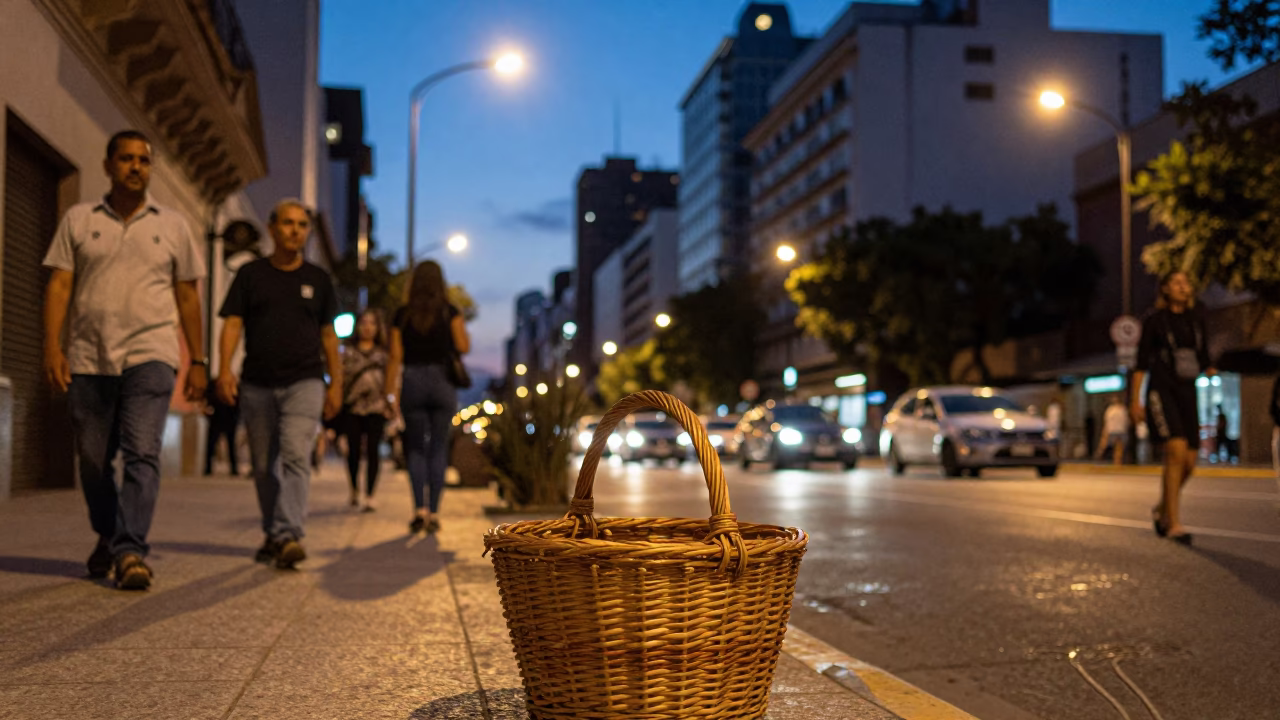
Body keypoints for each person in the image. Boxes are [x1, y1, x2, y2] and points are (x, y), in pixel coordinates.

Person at [42, 129, 207, 590]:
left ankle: (131, 549)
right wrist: (51, 346)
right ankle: (112, 535)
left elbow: (189, 298)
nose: (136, 167)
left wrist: (199, 360)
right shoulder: (79, 218)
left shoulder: (172, 226)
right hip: (89, 354)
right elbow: (59, 286)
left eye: (144, 160)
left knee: (142, 452)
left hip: (151, 353)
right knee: (93, 459)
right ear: (108, 165)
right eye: (127, 159)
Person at [216, 199, 342, 568]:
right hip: (257, 382)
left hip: (305, 380)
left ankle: (288, 533)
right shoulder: (251, 274)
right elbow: (233, 324)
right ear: (272, 228)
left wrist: (336, 384)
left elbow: (330, 337)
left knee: (295, 454)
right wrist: (224, 370)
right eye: (288, 223)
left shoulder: (318, 280)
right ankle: (274, 531)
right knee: (261, 465)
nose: (295, 231)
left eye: (302, 225)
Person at [385, 261, 469, 534]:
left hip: (413, 381)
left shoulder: (402, 315)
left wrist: (389, 394)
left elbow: (395, 357)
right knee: (439, 448)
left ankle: (418, 511)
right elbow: (463, 346)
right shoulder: (449, 311)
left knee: (416, 449)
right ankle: (433, 513)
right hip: (442, 382)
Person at [1131, 271, 1213, 545]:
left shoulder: (1196, 319)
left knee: (1190, 461)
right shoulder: (1154, 321)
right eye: (1177, 282)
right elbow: (1140, 363)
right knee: (1175, 451)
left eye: (1186, 282)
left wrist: (1211, 366)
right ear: (1165, 289)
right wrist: (1135, 400)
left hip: (1188, 392)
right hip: (1161, 390)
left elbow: (1204, 356)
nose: (1183, 286)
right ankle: (1173, 523)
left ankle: (1162, 508)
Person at [341, 308, 392, 511]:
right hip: (352, 406)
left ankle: (370, 494)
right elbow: (340, 377)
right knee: (353, 450)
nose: (367, 327)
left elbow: (391, 379)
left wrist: (390, 403)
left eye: (372, 323)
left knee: (373, 450)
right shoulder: (348, 351)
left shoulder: (383, 353)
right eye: (364, 323)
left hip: (376, 407)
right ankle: (354, 489)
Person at [204, 381, 240, 476]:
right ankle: (207, 467)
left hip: (229, 418)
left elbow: (238, 403)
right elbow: (208, 400)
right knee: (211, 445)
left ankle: (234, 468)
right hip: (217, 418)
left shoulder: (234, 386)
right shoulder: (214, 385)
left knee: (231, 444)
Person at [1095, 395, 1128, 465]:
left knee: (1109, 445)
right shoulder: (1122, 409)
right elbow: (1126, 421)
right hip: (1120, 430)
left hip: (1112, 430)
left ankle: (1101, 457)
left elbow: (1106, 421)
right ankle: (1117, 460)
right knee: (1118, 447)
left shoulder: (1110, 410)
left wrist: (1105, 431)